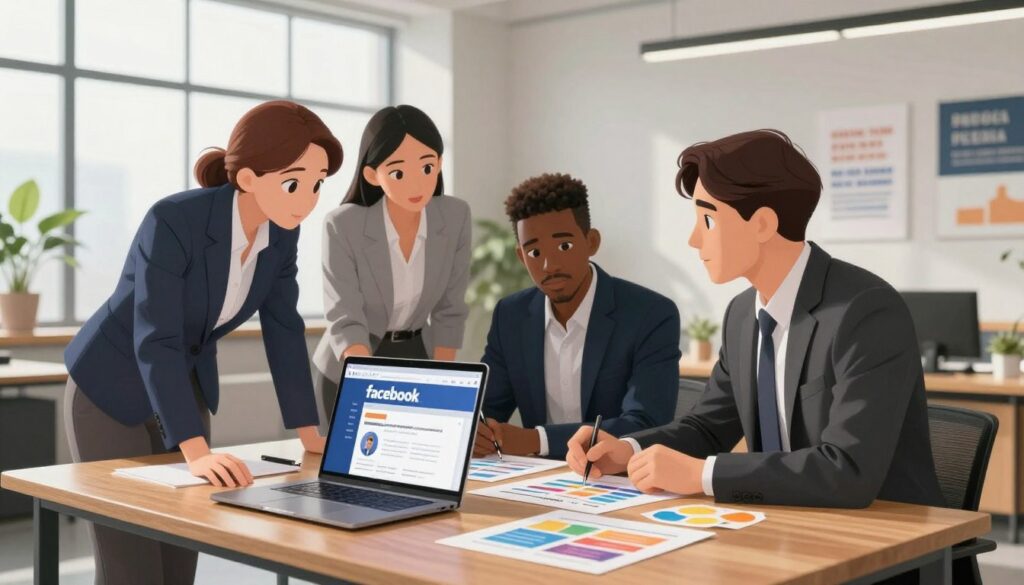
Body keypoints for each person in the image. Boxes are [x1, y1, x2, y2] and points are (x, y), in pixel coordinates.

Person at [566, 130, 944, 513]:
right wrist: (628, 449)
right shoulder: (743, 314)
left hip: (888, 545)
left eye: (708, 221)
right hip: (784, 522)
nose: (695, 240)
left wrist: (702, 476)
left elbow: (847, 470)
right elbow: (708, 427)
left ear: (762, 223)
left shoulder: (864, 311)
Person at [64, 100, 342, 585]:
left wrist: (311, 436)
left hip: (185, 386)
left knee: (179, 556)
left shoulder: (282, 233)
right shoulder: (174, 220)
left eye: (318, 183)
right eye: (295, 182)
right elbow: (156, 336)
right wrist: (196, 452)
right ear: (250, 177)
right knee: (132, 565)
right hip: (111, 388)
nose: (308, 199)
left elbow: (283, 329)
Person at [475, 173, 680, 460]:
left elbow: (645, 423)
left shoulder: (651, 314)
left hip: (616, 479)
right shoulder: (511, 316)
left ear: (591, 242)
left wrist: (536, 440)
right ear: (521, 257)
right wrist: (480, 433)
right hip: (531, 481)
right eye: (534, 252)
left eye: (564, 246)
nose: (549, 265)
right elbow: (484, 411)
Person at [313, 105, 471, 420]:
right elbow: (345, 317)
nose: (416, 185)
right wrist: (368, 386)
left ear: (439, 163)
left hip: (418, 358)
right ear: (372, 174)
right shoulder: (342, 225)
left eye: (426, 167)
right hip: (354, 364)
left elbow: (450, 311)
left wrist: (441, 387)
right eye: (398, 172)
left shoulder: (454, 217)